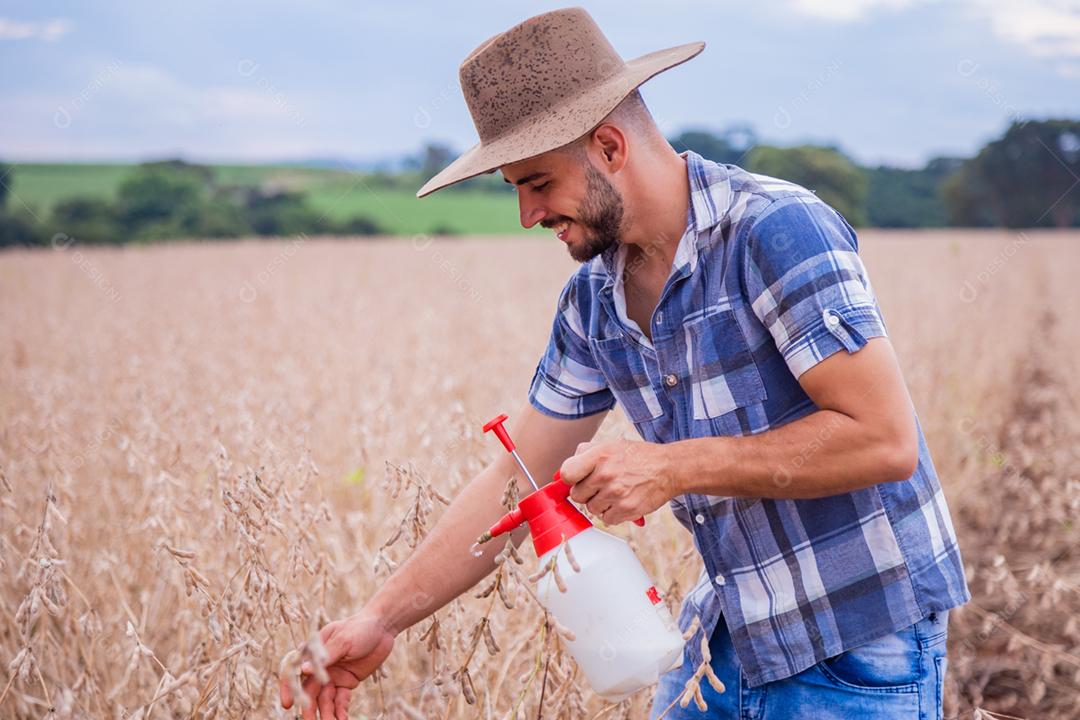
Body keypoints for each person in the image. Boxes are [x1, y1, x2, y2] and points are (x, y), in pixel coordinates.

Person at [279, 8, 969, 719]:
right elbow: (518, 478)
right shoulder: (591, 300)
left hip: (859, 641)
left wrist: (672, 468)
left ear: (610, 146)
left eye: (538, 182)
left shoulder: (775, 229)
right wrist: (381, 618)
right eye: (514, 187)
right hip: (730, 630)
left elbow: (884, 440)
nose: (526, 214)